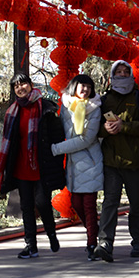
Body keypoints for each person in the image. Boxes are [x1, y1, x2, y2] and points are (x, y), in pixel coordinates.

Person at [0, 73, 66, 259]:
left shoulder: (47, 108)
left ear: (30, 84)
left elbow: (58, 137)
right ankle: (31, 246)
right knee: (26, 207)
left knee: (43, 203)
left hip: (41, 165)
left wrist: (56, 161)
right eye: (16, 86)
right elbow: (8, 143)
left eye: (23, 84)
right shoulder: (12, 111)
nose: (20, 88)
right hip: (21, 167)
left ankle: (51, 234)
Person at [93, 60, 139, 262]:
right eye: (118, 72)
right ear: (112, 76)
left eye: (125, 71)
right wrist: (106, 130)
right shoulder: (104, 100)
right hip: (111, 161)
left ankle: (138, 241)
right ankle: (105, 243)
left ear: (131, 74)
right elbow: (94, 128)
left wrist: (125, 126)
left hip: (136, 162)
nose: (122, 75)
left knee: (137, 203)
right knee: (109, 203)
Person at [51, 74, 104, 260]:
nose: (86, 89)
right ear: (74, 86)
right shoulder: (65, 107)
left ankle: (92, 243)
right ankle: (94, 232)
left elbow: (86, 139)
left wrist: (57, 149)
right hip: (73, 163)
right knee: (76, 204)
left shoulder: (94, 108)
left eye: (89, 87)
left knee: (88, 205)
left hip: (90, 162)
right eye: (82, 85)